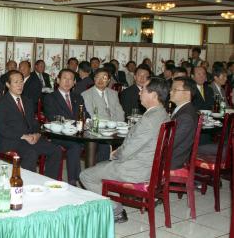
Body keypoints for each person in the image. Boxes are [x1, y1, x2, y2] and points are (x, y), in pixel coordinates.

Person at [80, 77, 170, 223]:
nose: (139, 93)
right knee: (100, 167)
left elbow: (127, 152)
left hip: (136, 170)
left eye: (143, 90)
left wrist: (115, 154)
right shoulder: (163, 114)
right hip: (151, 167)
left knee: (86, 175)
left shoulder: (148, 120)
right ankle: (106, 204)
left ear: (154, 95)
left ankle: (116, 210)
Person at [0, 70, 62, 179]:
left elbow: (34, 122)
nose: (20, 85)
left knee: (56, 150)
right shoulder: (2, 103)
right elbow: (2, 128)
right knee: (31, 153)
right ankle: (26, 183)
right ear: (8, 84)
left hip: (30, 137)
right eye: (16, 82)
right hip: (12, 140)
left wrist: (37, 134)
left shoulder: (27, 101)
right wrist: (24, 136)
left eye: (21, 82)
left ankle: (50, 181)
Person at [43, 69, 87, 185]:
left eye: (70, 79)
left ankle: (94, 180)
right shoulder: (50, 97)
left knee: (101, 145)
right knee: (75, 146)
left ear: (74, 82)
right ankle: (73, 181)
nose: (67, 82)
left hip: (78, 134)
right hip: (59, 135)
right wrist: (75, 122)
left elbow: (85, 115)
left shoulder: (78, 97)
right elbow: (54, 118)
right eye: (64, 78)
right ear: (58, 80)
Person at [82, 68, 125, 162]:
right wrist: (108, 125)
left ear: (109, 80)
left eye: (104, 78)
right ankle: (101, 171)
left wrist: (116, 125)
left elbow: (120, 112)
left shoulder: (113, 93)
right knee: (105, 145)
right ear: (94, 79)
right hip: (98, 129)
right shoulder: (86, 95)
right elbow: (91, 114)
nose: (101, 80)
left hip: (115, 128)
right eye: (98, 78)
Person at [169, 77, 198, 170]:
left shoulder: (186, 116)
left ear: (187, 93)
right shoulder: (184, 109)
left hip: (172, 161)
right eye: (171, 89)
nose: (170, 92)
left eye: (175, 89)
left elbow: (170, 143)